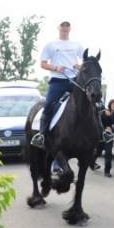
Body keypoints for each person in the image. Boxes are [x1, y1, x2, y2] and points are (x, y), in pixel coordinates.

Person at [30, 21, 84, 173]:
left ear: (70, 29)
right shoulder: (51, 45)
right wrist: (55, 67)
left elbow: (84, 62)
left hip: (74, 80)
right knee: (48, 106)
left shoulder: (77, 45)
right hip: (57, 81)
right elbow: (42, 63)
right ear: (59, 29)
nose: (65, 31)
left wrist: (79, 66)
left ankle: (100, 134)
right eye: (63, 28)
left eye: (67, 28)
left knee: (90, 103)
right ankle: (41, 135)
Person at [94, 98, 114, 177]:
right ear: (110, 105)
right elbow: (100, 121)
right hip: (101, 134)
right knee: (98, 151)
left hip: (109, 136)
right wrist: (105, 127)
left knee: (108, 153)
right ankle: (91, 162)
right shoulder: (104, 111)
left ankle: (107, 171)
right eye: (113, 104)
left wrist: (111, 116)